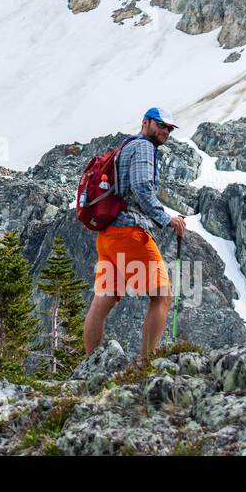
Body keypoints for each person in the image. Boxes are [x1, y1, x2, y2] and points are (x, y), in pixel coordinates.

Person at [83, 107, 187, 359]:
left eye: (169, 129)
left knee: (103, 299)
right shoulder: (143, 147)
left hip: (108, 236)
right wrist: (166, 218)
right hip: (130, 232)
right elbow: (141, 187)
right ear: (146, 123)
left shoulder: (126, 146)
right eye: (160, 125)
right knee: (163, 295)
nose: (164, 131)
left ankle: (89, 365)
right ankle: (147, 364)